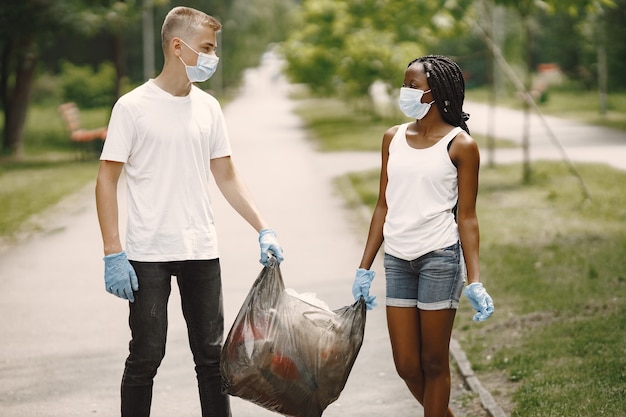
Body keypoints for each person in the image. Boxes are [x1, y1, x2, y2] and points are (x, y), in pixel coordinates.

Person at [95, 6, 283, 417]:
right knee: (145, 356)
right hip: (148, 254)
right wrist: (113, 251)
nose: (213, 57)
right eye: (207, 48)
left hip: (201, 248)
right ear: (178, 47)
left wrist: (263, 228)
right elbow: (106, 179)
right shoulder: (132, 107)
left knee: (213, 359)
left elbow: (227, 175)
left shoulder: (208, 108)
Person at [351, 55, 494, 417]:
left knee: (434, 363)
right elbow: (383, 205)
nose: (405, 91)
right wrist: (364, 268)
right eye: (405, 83)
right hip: (398, 259)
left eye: (412, 86)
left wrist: (474, 280)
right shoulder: (392, 138)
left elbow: (468, 216)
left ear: (435, 92)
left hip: (439, 259)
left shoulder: (461, 145)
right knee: (406, 366)